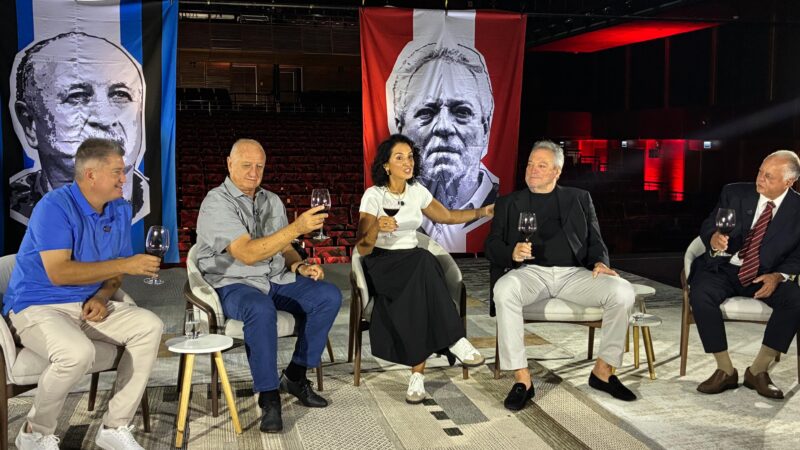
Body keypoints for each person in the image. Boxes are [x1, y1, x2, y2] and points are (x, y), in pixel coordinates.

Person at [3, 138, 164, 450]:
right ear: (91, 175)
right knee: (77, 352)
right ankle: (34, 433)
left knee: (149, 326)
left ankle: (114, 427)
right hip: (37, 305)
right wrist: (125, 265)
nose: (124, 178)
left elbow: (115, 273)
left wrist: (103, 296)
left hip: (88, 304)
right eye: (117, 171)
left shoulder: (119, 209)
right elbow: (59, 272)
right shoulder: (53, 207)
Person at [195, 138, 342, 433]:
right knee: (260, 310)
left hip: (275, 278)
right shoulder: (215, 202)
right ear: (229, 164)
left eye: (259, 166)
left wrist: (298, 265)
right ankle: (269, 397)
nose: (253, 172)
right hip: (234, 282)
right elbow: (248, 254)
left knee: (328, 296)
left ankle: (296, 376)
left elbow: (284, 246)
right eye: (246, 165)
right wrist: (298, 227)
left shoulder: (272, 200)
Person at [486, 140, 637, 411]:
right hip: (530, 273)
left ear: (557, 171)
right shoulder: (508, 203)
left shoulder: (578, 198)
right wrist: (512, 252)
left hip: (574, 274)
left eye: (541, 165)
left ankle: (603, 372)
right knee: (504, 290)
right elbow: (492, 245)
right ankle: (522, 380)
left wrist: (600, 262)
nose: (532, 170)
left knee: (623, 291)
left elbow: (595, 240)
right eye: (531, 164)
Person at [355, 134, 492, 404]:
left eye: (410, 157)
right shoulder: (373, 195)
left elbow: (448, 216)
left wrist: (483, 212)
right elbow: (362, 246)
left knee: (420, 285)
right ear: (386, 165)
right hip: (382, 264)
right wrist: (375, 227)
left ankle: (417, 375)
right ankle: (454, 339)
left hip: (412, 263)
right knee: (425, 261)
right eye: (400, 157)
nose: (408, 162)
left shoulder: (417, 190)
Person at [689, 150, 800, 399]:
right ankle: (725, 370)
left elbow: (798, 254)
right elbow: (709, 224)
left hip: (766, 274)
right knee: (700, 291)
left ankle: (758, 371)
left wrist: (779, 276)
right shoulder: (734, 192)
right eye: (760, 171)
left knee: (795, 299)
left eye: (768, 176)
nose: (759, 179)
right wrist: (714, 238)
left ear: (788, 181)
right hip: (726, 267)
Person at [9, 31, 149, 224]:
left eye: (120, 95)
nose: (105, 118)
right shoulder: (23, 210)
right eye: (77, 96)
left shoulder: (151, 202)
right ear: (30, 124)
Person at [388, 44, 498, 251]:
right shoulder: (383, 196)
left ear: (485, 128)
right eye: (426, 112)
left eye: (462, 112)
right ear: (400, 128)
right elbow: (364, 242)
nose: (444, 127)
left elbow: (446, 217)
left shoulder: (504, 201)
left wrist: (483, 212)